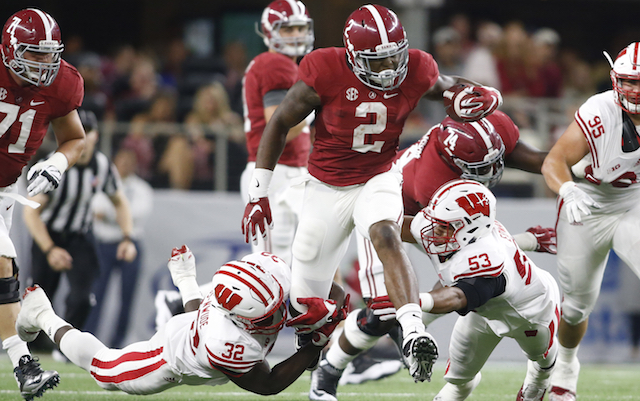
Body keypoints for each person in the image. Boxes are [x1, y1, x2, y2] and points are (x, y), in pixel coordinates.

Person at [241, 3, 503, 383]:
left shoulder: (416, 67)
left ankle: (412, 331)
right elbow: (279, 122)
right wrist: (258, 193)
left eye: (394, 56)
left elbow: (448, 86)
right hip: (325, 187)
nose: (389, 67)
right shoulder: (325, 69)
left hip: (377, 177)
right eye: (377, 61)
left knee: (385, 233)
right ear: (352, 57)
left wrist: (482, 93)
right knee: (305, 304)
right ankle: (321, 353)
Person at [311, 110, 556, 400]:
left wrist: (410, 306)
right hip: (385, 205)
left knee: (405, 309)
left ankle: (405, 335)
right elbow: (400, 229)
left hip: (527, 311)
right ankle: (331, 368)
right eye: (477, 167)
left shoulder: (475, 245)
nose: (488, 173)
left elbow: (461, 289)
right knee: (385, 312)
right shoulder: (437, 209)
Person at [15, 245, 348, 396]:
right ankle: (41, 313)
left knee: (196, 316)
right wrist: (315, 342)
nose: (280, 311)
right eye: (271, 312)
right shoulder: (227, 340)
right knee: (104, 371)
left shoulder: (267, 280)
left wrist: (327, 308)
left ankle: (185, 280)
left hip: (199, 327)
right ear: (248, 320)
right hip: (172, 356)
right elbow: (268, 384)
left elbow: (329, 288)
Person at [541, 42, 640, 401]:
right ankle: (567, 365)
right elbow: (554, 161)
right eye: (629, 82)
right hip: (588, 203)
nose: (635, 91)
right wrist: (568, 190)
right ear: (615, 80)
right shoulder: (601, 110)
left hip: (634, 202)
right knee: (575, 307)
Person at [404, 179, 560, 401]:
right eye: (435, 222)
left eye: (445, 226)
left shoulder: (486, 261)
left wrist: (410, 304)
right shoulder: (467, 234)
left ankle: (540, 378)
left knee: (542, 361)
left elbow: (457, 296)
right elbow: (394, 228)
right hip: (484, 311)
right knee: (458, 379)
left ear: (470, 229)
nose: (434, 230)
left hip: (531, 312)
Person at [0, 8, 86, 400]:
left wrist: (57, 163)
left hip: (5, 189)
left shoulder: (62, 83)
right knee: (3, 263)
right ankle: (24, 365)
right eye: (35, 53)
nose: (45, 61)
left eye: (51, 53)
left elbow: (75, 139)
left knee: (3, 272)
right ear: (10, 49)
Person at [22, 109, 137, 354]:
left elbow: (120, 202)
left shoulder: (102, 165)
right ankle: (31, 351)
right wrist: (50, 249)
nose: (84, 137)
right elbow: (31, 212)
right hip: (49, 234)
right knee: (39, 299)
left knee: (83, 298)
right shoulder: (55, 165)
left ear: (96, 136)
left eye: (88, 132)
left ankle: (65, 348)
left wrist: (127, 237)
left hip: (80, 237)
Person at [240, 0, 314, 265]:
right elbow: (280, 127)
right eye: (288, 29)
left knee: (309, 260)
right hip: (275, 172)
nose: (296, 35)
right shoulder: (275, 63)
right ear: (269, 31)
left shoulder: (282, 65)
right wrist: (312, 110)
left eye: (300, 28)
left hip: (288, 172)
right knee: (273, 266)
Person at [84, 148, 154, 348]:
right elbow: (94, 208)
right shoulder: (100, 182)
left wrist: (110, 214)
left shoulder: (141, 188)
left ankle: (118, 343)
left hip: (130, 244)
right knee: (96, 295)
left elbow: (137, 213)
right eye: (121, 161)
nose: (124, 165)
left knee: (127, 297)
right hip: (103, 245)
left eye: (128, 162)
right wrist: (120, 214)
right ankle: (88, 340)